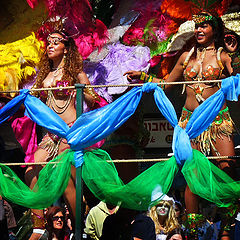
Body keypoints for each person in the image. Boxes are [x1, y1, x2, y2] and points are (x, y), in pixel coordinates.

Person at [125, 12, 238, 239]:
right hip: (189, 126)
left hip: (217, 122)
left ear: (214, 30)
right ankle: (193, 233)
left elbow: (237, 77)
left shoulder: (223, 55)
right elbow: (166, 84)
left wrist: (235, 54)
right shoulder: (186, 56)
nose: (199, 30)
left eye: (204, 26)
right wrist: (144, 77)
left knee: (228, 170)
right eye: (197, 26)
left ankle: (226, 230)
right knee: (191, 178)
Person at [24, 30, 104, 240]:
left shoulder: (75, 73)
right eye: (48, 42)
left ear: (66, 48)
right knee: (31, 170)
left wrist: (83, 89)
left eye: (56, 42)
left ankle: (79, 227)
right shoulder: (43, 75)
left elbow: (92, 99)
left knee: (64, 175)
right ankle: (39, 226)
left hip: (70, 131)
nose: (50, 45)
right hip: (51, 135)